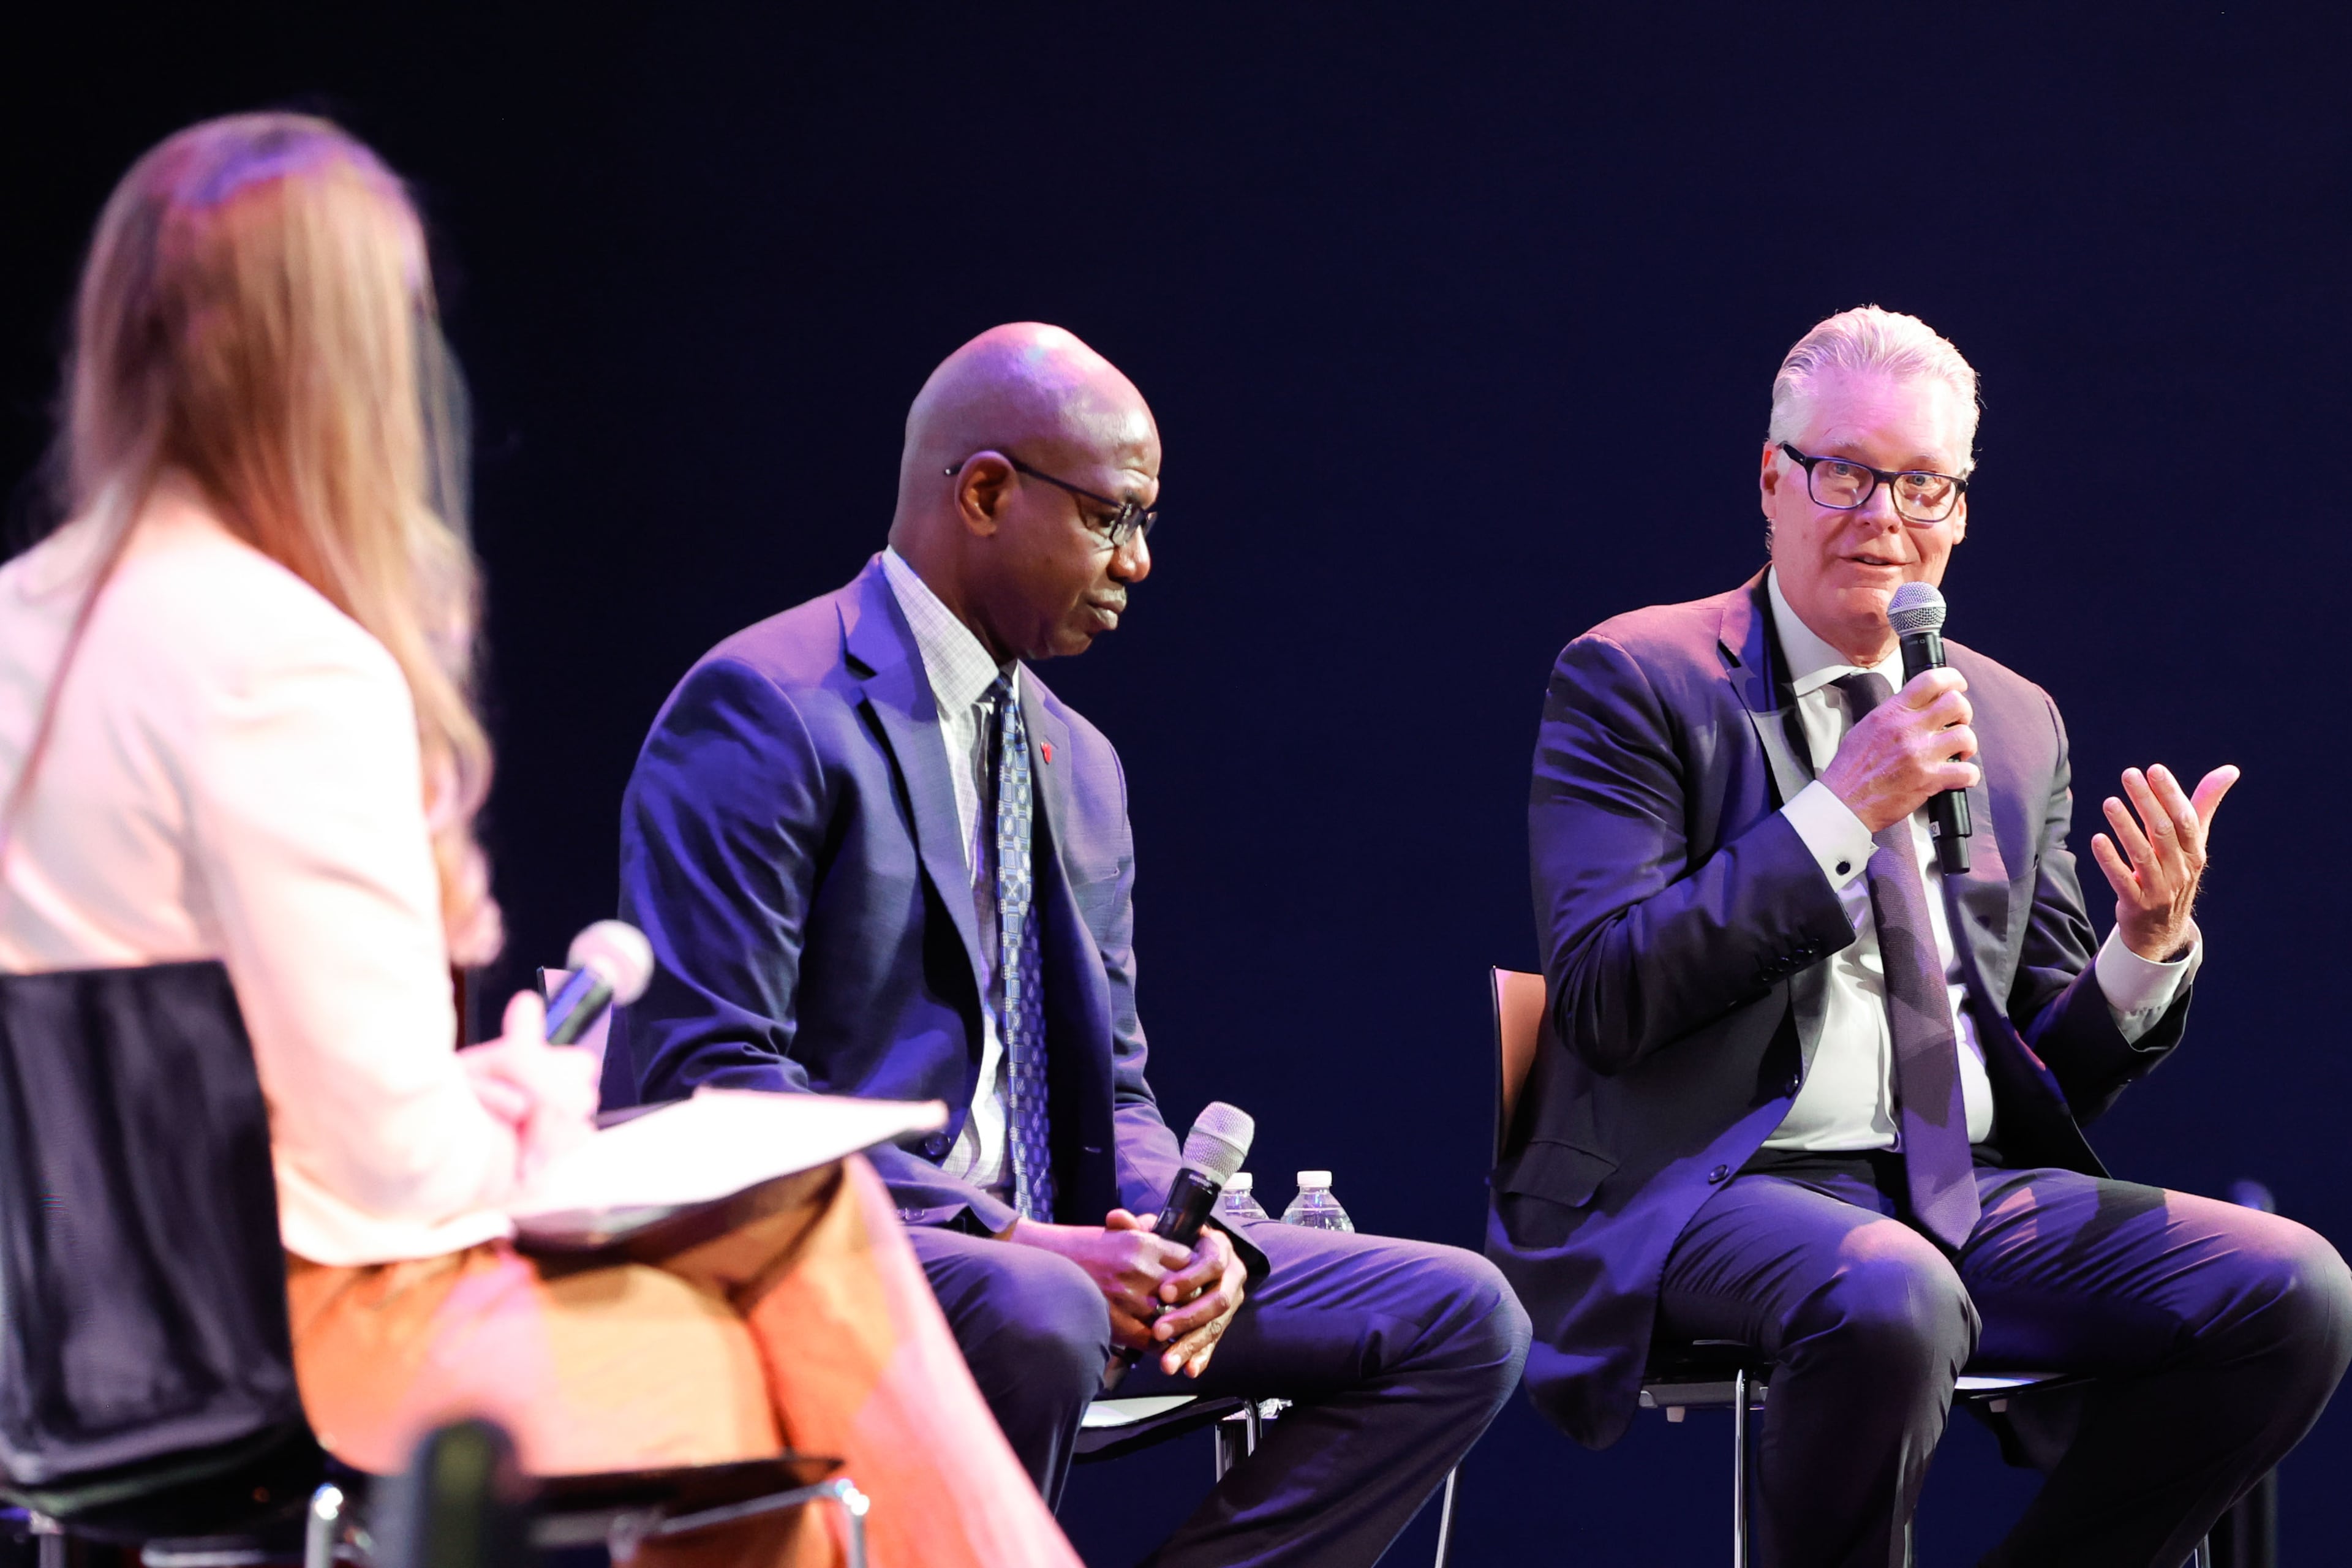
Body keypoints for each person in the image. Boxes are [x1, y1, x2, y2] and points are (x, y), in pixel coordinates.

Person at [0, 114, 1079, 1568]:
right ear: (346, 363)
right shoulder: (286, 667)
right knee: (807, 1297)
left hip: (62, 1371)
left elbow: (182, 1088)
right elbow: (389, 1179)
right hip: (301, 1368)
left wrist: (454, 1092)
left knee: (803, 1263)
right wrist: (515, 1124)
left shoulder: (25, 625)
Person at [606, 322, 1531, 1567]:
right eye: (1112, 517)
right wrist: (1011, 1235)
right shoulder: (769, 707)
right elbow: (707, 1085)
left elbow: (1120, 1087)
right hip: (850, 1245)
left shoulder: (1079, 763)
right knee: (1038, 1306)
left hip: (1047, 1257)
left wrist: (1200, 1238)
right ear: (986, 490)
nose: (1140, 561)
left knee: (1458, 1313)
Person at [1489, 304, 2352, 1567]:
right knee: (1891, 1291)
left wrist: (2144, 947)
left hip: (1951, 1185)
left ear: (1960, 509)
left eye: (1924, 484)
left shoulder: (2008, 718)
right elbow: (1612, 993)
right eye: (1846, 471)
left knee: (2292, 1293)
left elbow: (2052, 1070)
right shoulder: (1638, 677)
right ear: (1773, 479)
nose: (1883, 514)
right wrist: (1841, 806)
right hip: (1707, 1181)